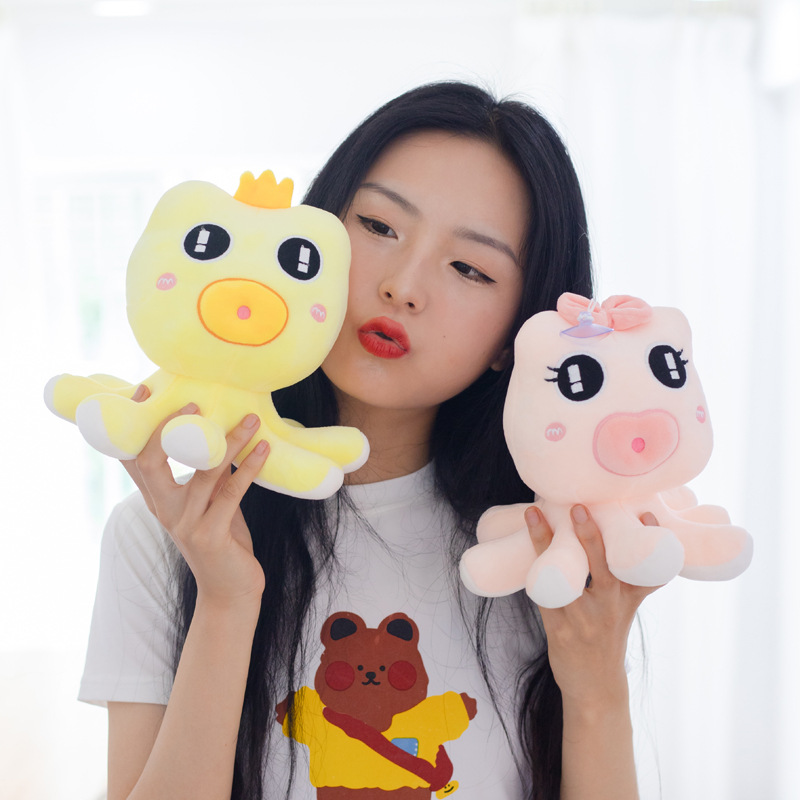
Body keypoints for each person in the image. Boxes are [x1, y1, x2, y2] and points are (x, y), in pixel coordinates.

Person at [79, 81, 659, 800]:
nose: (403, 286)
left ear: (517, 337)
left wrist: (599, 687)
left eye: (470, 268)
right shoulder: (166, 534)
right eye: (380, 226)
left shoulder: (541, 552)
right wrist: (227, 604)